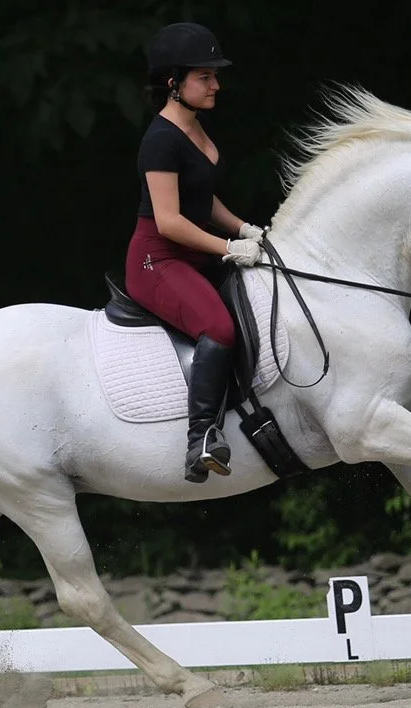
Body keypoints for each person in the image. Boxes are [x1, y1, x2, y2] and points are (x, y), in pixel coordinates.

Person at [124, 22, 265, 483]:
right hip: (156, 260)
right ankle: (200, 437)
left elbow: (202, 201)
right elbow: (169, 221)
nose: (216, 85)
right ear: (174, 83)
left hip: (195, 251)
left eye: (214, 76)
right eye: (204, 77)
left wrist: (245, 227)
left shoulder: (194, 128)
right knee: (219, 327)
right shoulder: (160, 140)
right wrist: (229, 247)